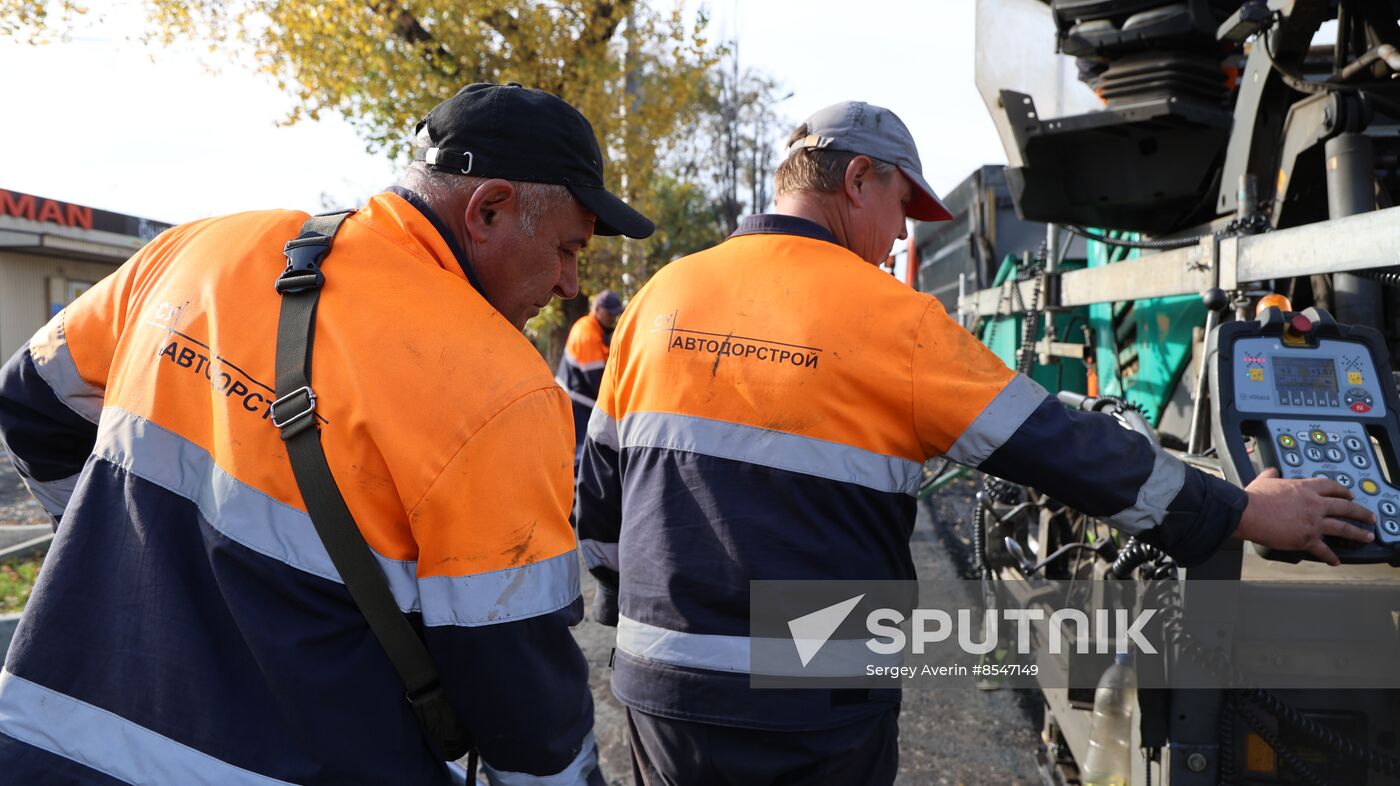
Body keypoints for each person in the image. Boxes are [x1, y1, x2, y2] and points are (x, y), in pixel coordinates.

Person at [574, 100, 1376, 785]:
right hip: (811, 702)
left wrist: (637, 623)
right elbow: (1068, 451)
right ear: (859, 180)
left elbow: (600, 496)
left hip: (662, 691)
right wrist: (1240, 510)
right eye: (899, 210)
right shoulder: (895, 320)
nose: (896, 241)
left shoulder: (659, 295)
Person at [0, 82, 652, 785]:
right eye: (566, 248)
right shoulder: (504, 389)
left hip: (47, 744)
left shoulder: (200, 249)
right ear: (488, 208)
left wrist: (117, 547)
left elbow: (31, 401)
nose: (568, 283)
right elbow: (524, 705)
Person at [557, 290, 624, 468]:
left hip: (578, 400)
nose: (613, 318)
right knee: (580, 451)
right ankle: (574, 492)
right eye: (610, 314)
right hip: (576, 403)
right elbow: (598, 382)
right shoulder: (588, 335)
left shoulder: (592, 328)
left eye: (615, 314)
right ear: (597, 309)